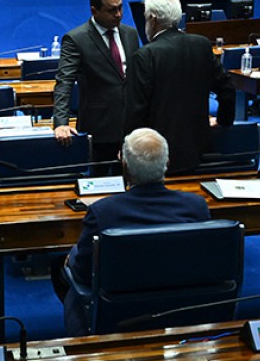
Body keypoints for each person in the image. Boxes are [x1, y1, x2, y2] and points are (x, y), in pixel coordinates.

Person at [54, 128, 210, 336]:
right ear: (167, 163)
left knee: (61, 266)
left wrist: (71, 257)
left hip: (118, 318)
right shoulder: (196, 207)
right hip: (182, 311)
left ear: (124, 166)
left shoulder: (102, 213)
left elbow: (82, 271)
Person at [123, 0, 236, 175]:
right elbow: (227, 88)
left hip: (156, 154)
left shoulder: (145, 55)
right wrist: (223, 120)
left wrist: (128, 148)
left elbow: (135, 110)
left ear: (152, 19)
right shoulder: (201, 45)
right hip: (199, 149)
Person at [53, 0, 141, 175]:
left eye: (120, 7)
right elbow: (64, 81)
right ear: (94, 11)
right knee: (98, 182)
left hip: (131, 127)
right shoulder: (76, 39)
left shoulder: (131, 34)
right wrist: (61, 122)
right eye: (111, 10)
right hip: (99, 128)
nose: (118, 14)